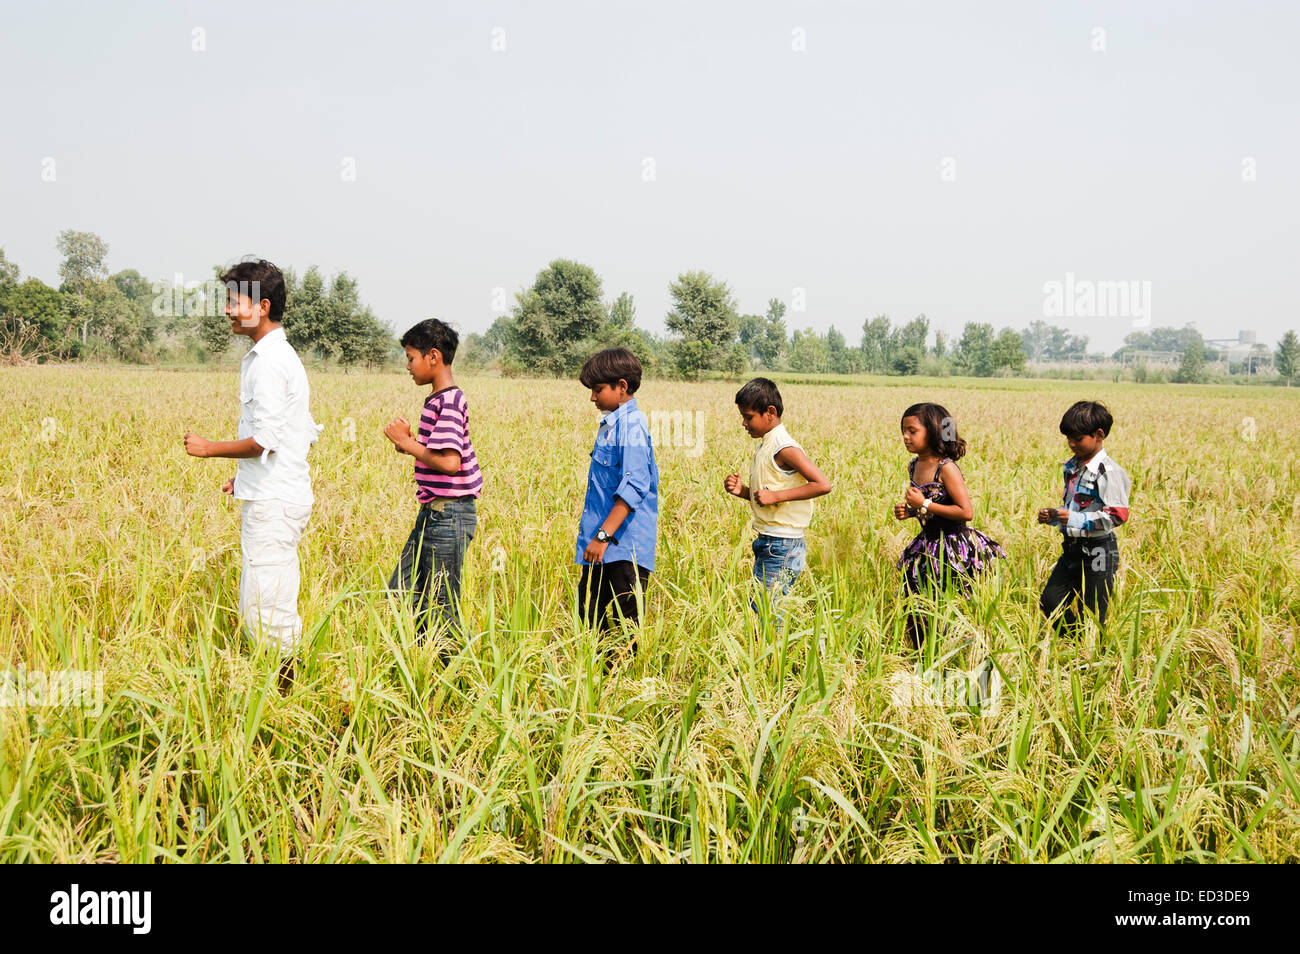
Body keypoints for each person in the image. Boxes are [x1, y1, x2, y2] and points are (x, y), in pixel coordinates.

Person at [183, 258, 321, 691]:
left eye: (233, 300)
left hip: (275, 503)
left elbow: (265, 440)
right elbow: (302, 433)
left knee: (266, 610)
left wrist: (209, 450)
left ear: (261, 306)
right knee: (267, 601)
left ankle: (286, 700)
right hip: (274, 494)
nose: (226, 309)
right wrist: (244, 478)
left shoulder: (268, 362)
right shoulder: (278, 355)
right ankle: (283, 696)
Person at [383, 318, 482, 656]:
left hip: (449, 515)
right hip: (433, 514)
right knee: (402, 590)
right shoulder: (437, 400)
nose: (408, 366)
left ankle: (454, 677)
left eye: (411, 358)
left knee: (441, 605)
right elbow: (437, 454)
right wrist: (410, 442)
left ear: (434, 357)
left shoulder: (450, 402)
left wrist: (407, 444)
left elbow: (450, 463)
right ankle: (424, 663)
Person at [893, 402, 1005, 648]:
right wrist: (911, 512)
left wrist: (923, 505)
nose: (905, 436)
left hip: (952, 548)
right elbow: (928, 508)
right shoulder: (914, 465)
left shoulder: (947, 468)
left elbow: (965, 512)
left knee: (946, 604)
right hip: (927, 545)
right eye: (903, 430)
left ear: (933, 432)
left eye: (912, 431)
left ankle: (951, 651)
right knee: (916, 600)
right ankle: (923, 651)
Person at [575, 348, 658, 661]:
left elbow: (635, 485)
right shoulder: (611, 425)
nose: (593, 398)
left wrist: (602, 537)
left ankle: (619, 691)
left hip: (622, 547)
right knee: (589, 614)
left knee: (624, 627)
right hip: (602, 544)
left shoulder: (632, 426)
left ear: (621, 387)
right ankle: (596, 686)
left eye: (598, 390)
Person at [724, 378, 831, 619]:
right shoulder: (766, 445)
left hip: (782, 544)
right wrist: (741, 490)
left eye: (749, 416)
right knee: (763, 609)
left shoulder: (784, 447)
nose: (743, 423)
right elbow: (765, 497)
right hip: (769, 541)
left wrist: (776, 495)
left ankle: (772, 656)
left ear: (770, 413)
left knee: (766, 613)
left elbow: (823, 484)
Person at [1037, 400, 1130, 636]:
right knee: (1050, 601)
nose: (1071, 444)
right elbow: (1074, 507)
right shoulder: (1072, 468)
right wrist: (1055, 516)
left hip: (1098, 551)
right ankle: (1078, 642)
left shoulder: (1108, 472)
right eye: (1068, 438)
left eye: (1077, 438)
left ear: (1099, 435)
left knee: (1095, 613)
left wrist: (1074, 519)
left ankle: (1094, 655)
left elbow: (1117, 515)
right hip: (1071, 549)